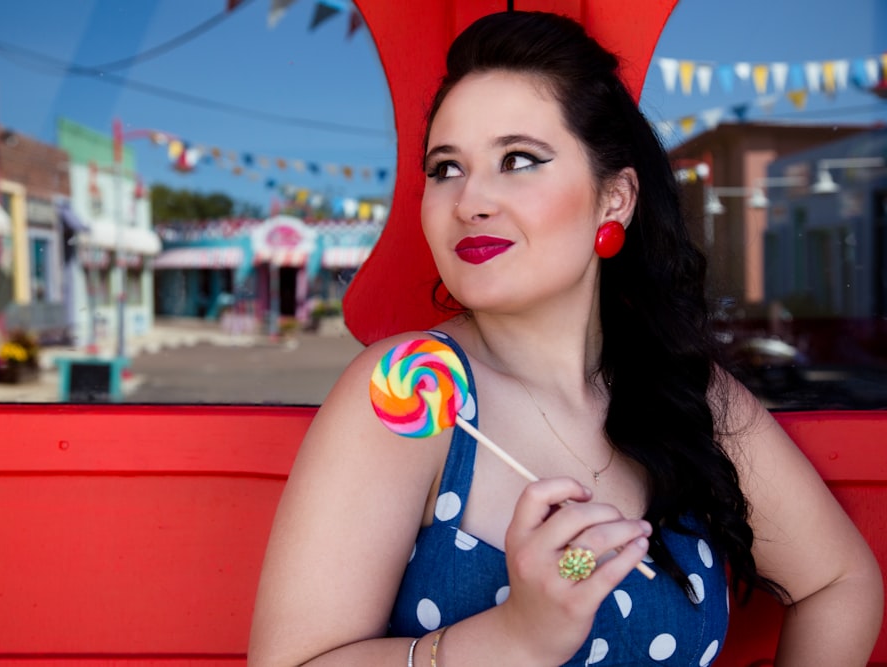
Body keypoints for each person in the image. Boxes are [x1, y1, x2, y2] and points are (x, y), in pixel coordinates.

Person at [248, 11, 882, 667]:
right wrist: (514, 637)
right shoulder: (412, 389)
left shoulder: (685, 392)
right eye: (445, 168)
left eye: (518, 160)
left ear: (615, 198)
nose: (470, 200)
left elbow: (841, 582)